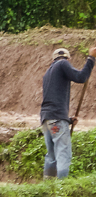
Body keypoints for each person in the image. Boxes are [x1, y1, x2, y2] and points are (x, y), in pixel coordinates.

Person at [40, 47, 96, 179]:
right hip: (56, 119)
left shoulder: (48, 73)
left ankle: (48, 188)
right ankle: (62, 188)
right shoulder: (63, 63)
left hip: (46, 118)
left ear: (53, 59)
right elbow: (81, 77)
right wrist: (91, 58)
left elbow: (52, 99)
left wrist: (68, 120)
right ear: (68, 58)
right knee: (63, 154)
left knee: (51, 156)